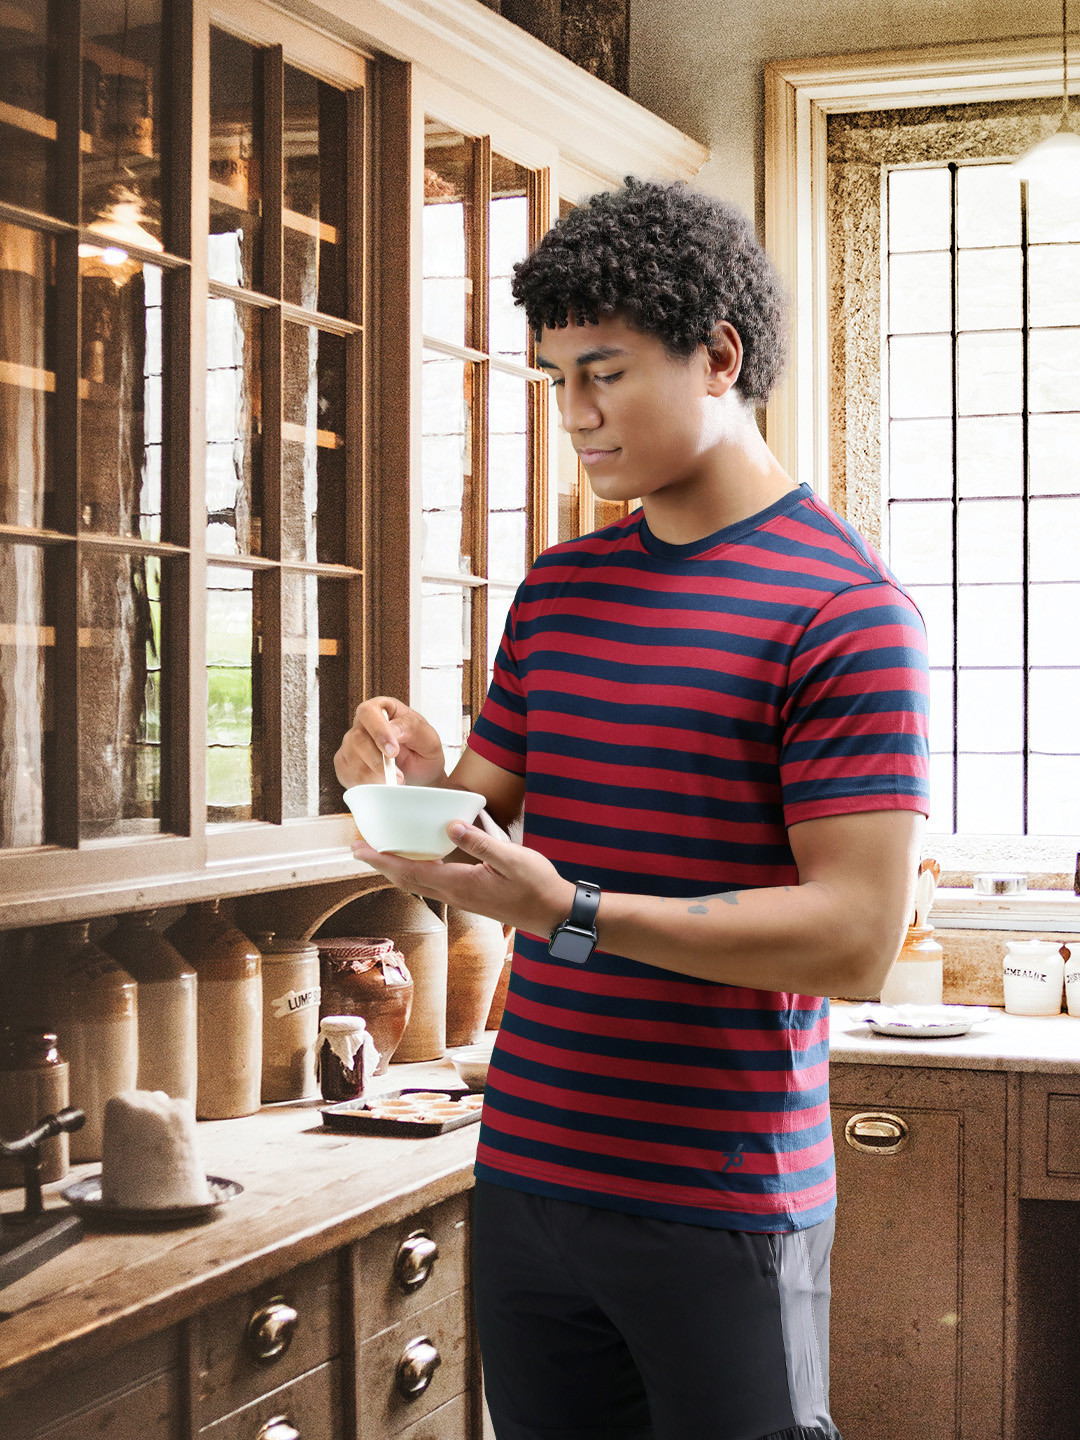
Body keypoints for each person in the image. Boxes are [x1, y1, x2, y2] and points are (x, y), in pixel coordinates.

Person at [335, 176, 930, 1440]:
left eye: (602, 373)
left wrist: (574, 912)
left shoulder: (843, 611)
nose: (575, 416)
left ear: (718, 356)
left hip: (724, 1199)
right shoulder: (560, 592)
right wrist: (397, 782)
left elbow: (856, 938)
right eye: (555, 380)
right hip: (530, 1175)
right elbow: (458, 852)